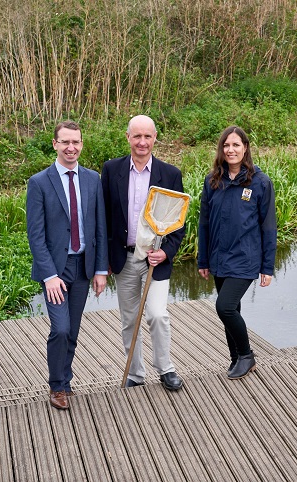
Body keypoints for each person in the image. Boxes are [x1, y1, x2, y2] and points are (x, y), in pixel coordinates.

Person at [26, 120, 108, 410]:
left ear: (81, 144)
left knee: (72, 329)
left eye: (76, 142)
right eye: (65, 142)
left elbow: (99, 228)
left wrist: (100, 269)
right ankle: (56, 386)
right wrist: (48, 275)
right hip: (55, 269)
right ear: (55, 144)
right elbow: (35, 235)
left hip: (83, 266)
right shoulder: (39, 182)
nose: (71, 147)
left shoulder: (92, 179)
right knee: (59, 328)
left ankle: (65, 379)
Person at [101, 115, 186, 391]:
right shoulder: (111, 170)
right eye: (137, 136)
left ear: (155, 137)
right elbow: (104, 218)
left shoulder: (170, 174)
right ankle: (135, 373)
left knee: (157, 314)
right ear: (128, 137)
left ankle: (165, 368)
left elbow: (178, 222)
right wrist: (104, 261)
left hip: (155, 260)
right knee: (129, 319)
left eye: (147, 136)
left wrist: (166, 252)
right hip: (123, 260)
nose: (142, 142)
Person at [197, 126, 277, 379]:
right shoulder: (213, 182)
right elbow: (205, 223)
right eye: (226, 145)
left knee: (225, 307)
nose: (230, 150)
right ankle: (235, 359)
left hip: (245, 258)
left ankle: (246, 355)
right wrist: (203, 259)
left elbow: (268, 227)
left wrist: (267, 266)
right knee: (233, 310)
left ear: (245, 148)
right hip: (220, 257)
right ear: (221, 149)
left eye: (236, 145)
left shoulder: (260, 183)